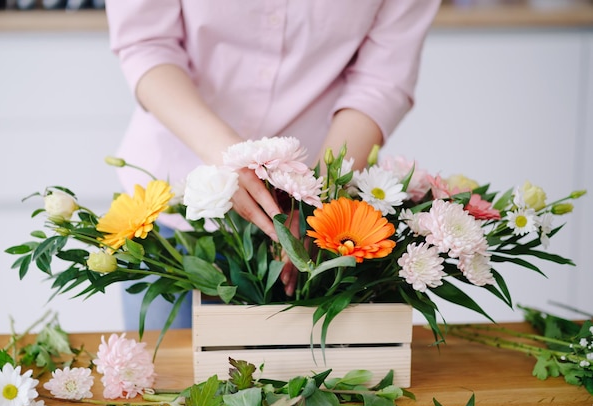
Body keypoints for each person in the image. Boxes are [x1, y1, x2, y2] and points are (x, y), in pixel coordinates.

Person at [104, 0, 441, 330]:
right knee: (167, 376)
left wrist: (317, 208)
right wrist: (230, 158)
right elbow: (147, 43)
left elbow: (381, 79)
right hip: (172, 200)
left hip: (314, 218)